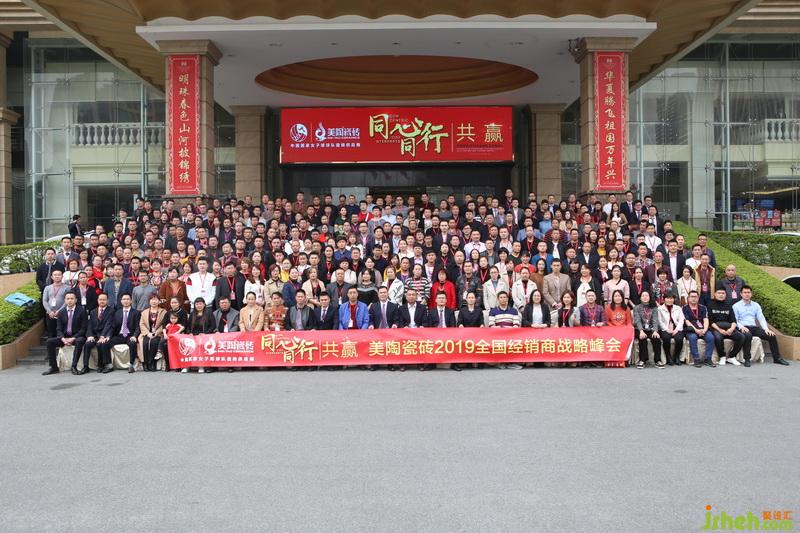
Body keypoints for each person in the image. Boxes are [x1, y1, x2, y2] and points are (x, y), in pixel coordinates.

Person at [733, 285, 789, 366]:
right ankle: (747, 359)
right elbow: (735, 320)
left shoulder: (756, 305)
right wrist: (741, 327)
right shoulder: (736, 306)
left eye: (748, 292)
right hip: (742, 327)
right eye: (745, 292)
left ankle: (777, 358)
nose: (747, 294)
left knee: (771, 336)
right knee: (748, 336)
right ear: (741, 294)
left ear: (751, 294)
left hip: (753, 327)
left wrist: (766, 329)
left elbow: (761, 318)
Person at [43, 292, 87, 376]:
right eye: (68, 299)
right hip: (64, 337)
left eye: (72, 299)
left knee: (80, 341)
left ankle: (74, 366)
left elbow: (83, 328)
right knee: (49, 342)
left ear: (76, 300)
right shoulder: (62, 312)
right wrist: (63, 339)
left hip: (77, 336)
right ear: (65, 300)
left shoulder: (82, 311)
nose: (70, 300)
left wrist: (73, 338)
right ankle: (53, 367)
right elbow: (59, 329)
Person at [707, 286, 745, 366]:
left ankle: (732, 356)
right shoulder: (710, 304)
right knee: (718, 337)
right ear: (715, 294)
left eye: (723, 293)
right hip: (716, 328)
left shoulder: (729, 305)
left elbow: (733, 320)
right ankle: (722, 356)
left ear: (726, 295)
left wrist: (731, 329)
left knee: (741, 337)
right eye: (719, 293)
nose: (721, 295)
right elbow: (710, 321)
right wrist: (720, 330)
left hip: (728, 328)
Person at [108, 294, 141, 374]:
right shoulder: (117, 313)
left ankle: (131, 365)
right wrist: (108, 336)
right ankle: (108, 364)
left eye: (128, 299)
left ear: (131, 301)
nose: (126, 301)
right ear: (121, 301)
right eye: (124, 299)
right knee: (106, 343)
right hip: (119, 336)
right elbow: (112, 326)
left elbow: (138, 327)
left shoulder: (136, 313)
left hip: (130, 336)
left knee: (132, 343)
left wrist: (135, 336)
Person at [488, 291, 522, 369]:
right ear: (498, 299)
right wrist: (501, 329)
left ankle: (511, 363)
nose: (503, 299)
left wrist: (508, 330)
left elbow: (516, 324)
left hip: (511, 334)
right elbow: (491, 325)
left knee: (513, 340)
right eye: (501, 297)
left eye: (504, 297)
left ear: (507, 299)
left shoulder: (513, 310)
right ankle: (501, 362)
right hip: (498, 334)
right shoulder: (493, 311)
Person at [683, 290, 716, 367]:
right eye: (692, 297)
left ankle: (708, 359)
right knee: (693, 338)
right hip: (691, 329)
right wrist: (696, 330)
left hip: (703, 329)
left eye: (695, 297)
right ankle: (696, 359)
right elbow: (687, 321)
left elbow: (706, 319)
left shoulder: (703, 307)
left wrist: (704, 330)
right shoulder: (685, 308)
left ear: (698, 298)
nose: (694, 298)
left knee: (711, 337)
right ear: (688, 298)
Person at [183, 297, 216, 374]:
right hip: (193, 336)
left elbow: (213, 326)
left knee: (200, 345)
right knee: (188, 346)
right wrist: (189, 333)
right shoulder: (192, 314)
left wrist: (206, 333)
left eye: (200, 304)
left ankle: (201, 366)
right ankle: (186, 366)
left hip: (204, 336)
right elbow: (187, 326)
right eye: (197, 304)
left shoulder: (209, 313)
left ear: (204, 304)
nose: (199, 305)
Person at [83, 292, 113, 374]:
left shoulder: (111, 311)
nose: (102, 301)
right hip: (95, 335)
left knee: (100, 344)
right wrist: (90, 335)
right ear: (97, 300)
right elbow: (90, 325)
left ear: (107, 301)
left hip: (105, 334)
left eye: (104, 300)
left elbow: (108, 325)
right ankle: (85, 366)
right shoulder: (93, 311)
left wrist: (103, 336)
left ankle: (101, 365)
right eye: (100, 299)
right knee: (87, 344)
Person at [633, 290, 662, 368]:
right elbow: (637, 320)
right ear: (640, 297)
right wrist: (641, 331)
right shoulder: (636, 307)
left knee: (656, 339)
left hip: (651, 328)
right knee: (642, 338)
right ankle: (642, 360)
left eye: (646, 295)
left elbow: (655, 320)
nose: (645, 297)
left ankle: (658, 360)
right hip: (640, 329)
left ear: (649, 297)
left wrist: (655, 331)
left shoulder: (654, 307)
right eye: (643, 296)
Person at [138, 293, 166, 372]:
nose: (154, 301)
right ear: (149, 301)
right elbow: (141, 324)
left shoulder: (163, 312)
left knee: (154, 342)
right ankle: (145, 363)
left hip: (158, 333)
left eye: (156, 299)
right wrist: (147, 333)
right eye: (152, 299)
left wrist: (156, 332)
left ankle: (153, 363)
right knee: (144, 343)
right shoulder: (144, 312)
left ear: (159, 301)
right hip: (147, 333)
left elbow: (164, 324)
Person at [42, 269, 68, 338]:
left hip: (62, 313)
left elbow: (67, 301)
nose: (57, 276)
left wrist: (59, 311)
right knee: (51, 332)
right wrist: (49, 311)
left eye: (59, 275)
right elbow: (44, 300)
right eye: (55, 275)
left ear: (62, 276)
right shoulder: (47, 288)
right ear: (52, 277)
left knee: (62, 332)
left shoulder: (67, 287)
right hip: (50, 314)